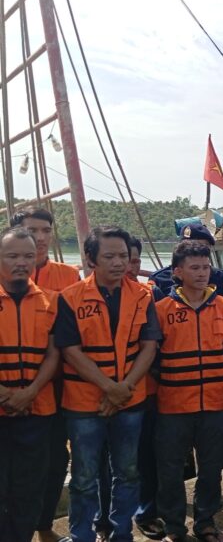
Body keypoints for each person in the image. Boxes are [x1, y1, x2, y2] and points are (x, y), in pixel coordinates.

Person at [54, 226, 161, 542]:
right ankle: (81, 536)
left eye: (123, 256)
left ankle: (121, 532)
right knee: (84, 477)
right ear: (90, 259)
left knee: (127, 472)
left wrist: (123, 387)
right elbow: (70, 351)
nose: (118, 263)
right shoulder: (70, 298)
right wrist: (110, 387)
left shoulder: (143, 296)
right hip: (83, 405)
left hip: (130, 400)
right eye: (109, 256)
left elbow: (149, 346)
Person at [155, 241, 223, 542]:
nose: (202, 273)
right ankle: (175, 527)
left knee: (212, 470)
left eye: (205, 267)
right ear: (178, 272)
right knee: (171, 471)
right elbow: (152, 355)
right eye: (194, 268)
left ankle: (206, 522)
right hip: (173, 407)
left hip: (212, 405)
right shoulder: (161, 310)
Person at [11, 208, 80, 542]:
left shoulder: (68, 276)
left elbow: (73, 335)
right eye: (31, 231)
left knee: (54, 461)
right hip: (9, 392)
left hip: (56, 391)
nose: (40, 238)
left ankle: (44, 527)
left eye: (45, 230)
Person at [95, 236, 165, 541]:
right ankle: (104, 521)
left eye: (134, 260)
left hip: (143, 394)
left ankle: (145, 512)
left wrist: (127, 386)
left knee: (144, 459)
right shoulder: (89, 297)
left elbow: (155, 348)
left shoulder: (150, 295)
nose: (128, 266)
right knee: (104, 464)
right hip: (101, 395)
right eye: (123, 258)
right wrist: (111, 389)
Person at [0, 227, 60, 542]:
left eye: (28, 255)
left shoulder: (51, 302)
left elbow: (53, 354)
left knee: (28, 488)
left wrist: (30, 392)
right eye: (12, 256)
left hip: (37, 412)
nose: (21, 262)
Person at [149, 223, 223, 304]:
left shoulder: (221, 278)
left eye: (205, 247)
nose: (198, 250)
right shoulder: (159, 279)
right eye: (192, 246)